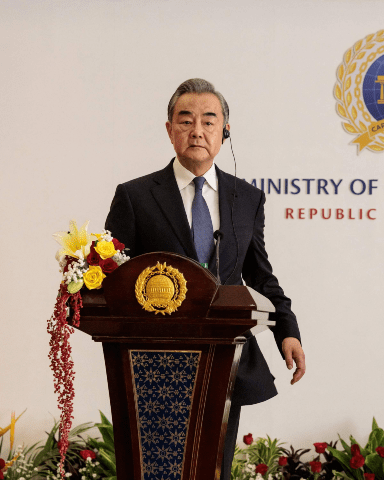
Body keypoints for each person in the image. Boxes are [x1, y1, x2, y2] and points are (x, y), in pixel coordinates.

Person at [104, 78, 305, 480]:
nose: (197, 130)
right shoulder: (136, 196)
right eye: (186, 120)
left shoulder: (246, 199)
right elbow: (111, 278)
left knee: (213, 469)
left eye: (209, 121)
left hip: (224, 361)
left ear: (224, 130)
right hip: (153, 364)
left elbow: (259, 273)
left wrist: (288, 329)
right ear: (169, 130)